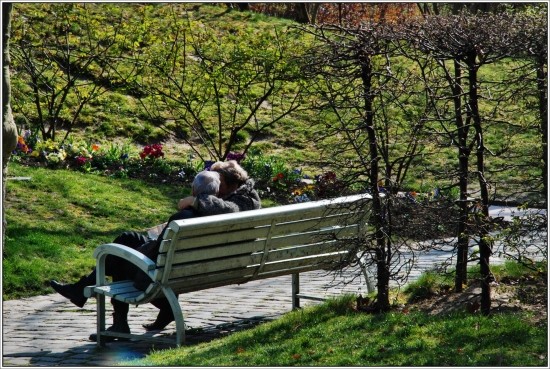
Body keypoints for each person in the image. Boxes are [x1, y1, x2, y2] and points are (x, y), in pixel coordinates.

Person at [50, 161, 260, 340]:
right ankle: (80, 291)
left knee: (116, 254)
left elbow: (158, 252)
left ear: (229, 184)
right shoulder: (238, 203)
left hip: (157, 271)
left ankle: (115, 320)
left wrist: (195, 201)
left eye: (218, 181)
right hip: (202, 263)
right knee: (127, 238)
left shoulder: (212, 210)